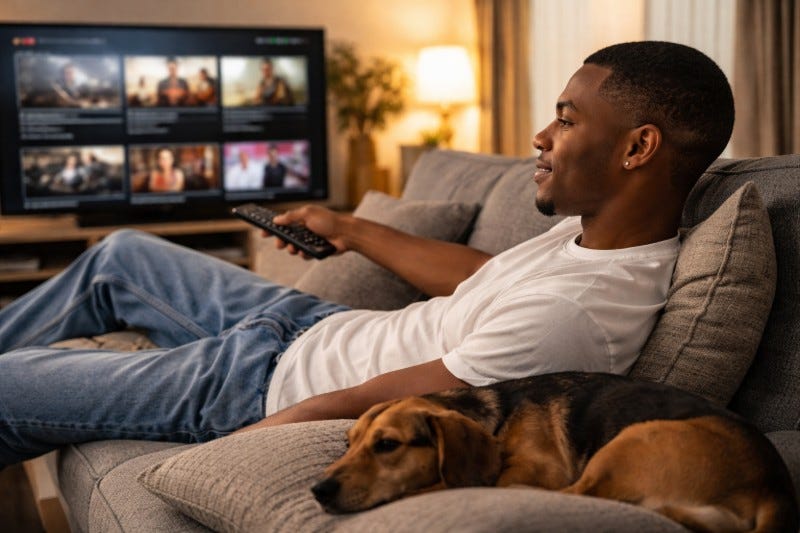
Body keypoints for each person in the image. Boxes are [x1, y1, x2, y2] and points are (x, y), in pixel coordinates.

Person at [0, 41, 735, 467]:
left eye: (567, 120)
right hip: (309, 323)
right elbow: (488, 278)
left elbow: (367, 403)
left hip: (256, 383)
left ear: (639, 147)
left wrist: (221, 451)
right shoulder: (596, 239)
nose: (541, 136)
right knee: (123, 252)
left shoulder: (574, 317)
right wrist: (349, 229)